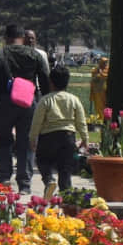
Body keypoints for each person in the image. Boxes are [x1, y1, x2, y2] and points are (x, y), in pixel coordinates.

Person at [0, 23, 50, 194]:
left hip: (4, 102)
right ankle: (24, 184)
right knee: (26, 142)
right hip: (28, 102)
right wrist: (45, 104)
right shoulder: (34, 54)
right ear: (23, 38)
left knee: (3, 140)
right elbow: (45, 81)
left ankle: (4, 179)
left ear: (6, 38)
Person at [28, 65, 89, 200]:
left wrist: (33, 139)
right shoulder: (74, 99)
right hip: (68, 138)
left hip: (48, 137)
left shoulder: (46, 100)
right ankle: (66, 197)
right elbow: (81, 121)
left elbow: (36, 122)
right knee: (65, 169)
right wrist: (85, 138)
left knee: (43, 161)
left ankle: (49, 180)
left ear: (51, 82)